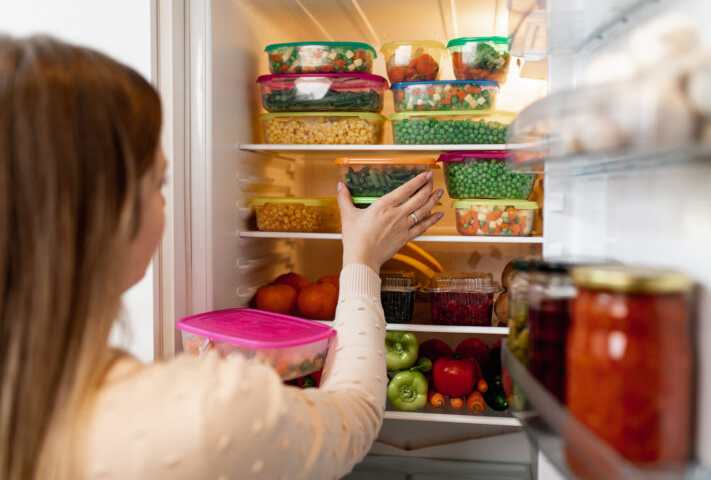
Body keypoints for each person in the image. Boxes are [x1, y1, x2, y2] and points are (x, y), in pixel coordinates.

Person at [0, 35, 444, 480]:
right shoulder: (205, 414)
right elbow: (354, 414)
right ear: (104, 215)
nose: (164, 202)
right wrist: (362, 262)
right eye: (159, 184)